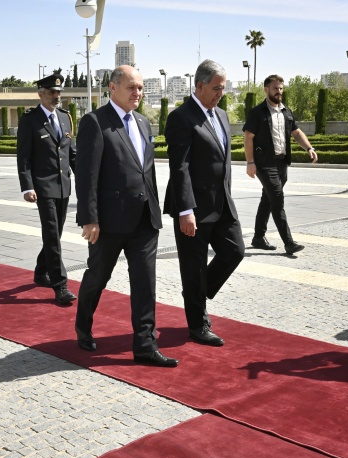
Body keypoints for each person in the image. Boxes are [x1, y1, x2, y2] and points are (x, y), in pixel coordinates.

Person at [74, 65, 178, 368]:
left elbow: (148, 172)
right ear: (113, 88)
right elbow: (87, 174)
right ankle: (83, 324)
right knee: (98, 276)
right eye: (132, 87)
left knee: (145, 283)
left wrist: (156, 209)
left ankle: (145, 344)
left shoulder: (144, 124)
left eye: (141, 88)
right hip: (109, 222)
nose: (138, 93)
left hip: (145, 220)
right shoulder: (95, 122)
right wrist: (89, 218)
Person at [164, 59, 245, 347]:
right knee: (193, 267)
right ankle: (197, 324)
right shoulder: (180, 118)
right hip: (193, 209)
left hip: (222, 205)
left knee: (235, 252)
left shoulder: (221, 115)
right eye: (216, 88)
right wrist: (185, 210)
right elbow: (180, 167)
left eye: (223, 88)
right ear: (199, 86)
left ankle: (197, 295)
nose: (220, 93)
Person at [17, 73, 78, 305]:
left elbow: (71, 153)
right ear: (40, 94)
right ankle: (60, 285)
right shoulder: (30, 120)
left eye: (59, 93)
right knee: (52, 234)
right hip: (43, 187)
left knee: (56, 234)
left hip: (64, 185)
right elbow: (23, 157)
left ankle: (40, 270)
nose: (57, 96)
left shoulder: (65, 118)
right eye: (52, 92)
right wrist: (27, 187)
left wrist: (86, 179)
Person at [243, 74, 318, 255]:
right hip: (264, 164)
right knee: (277, 200)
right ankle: (289, 243)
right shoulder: (257, 112)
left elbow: (297, 132)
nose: (279, 92)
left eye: (281, 88)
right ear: (266, 90)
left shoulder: (286, 111)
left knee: (267, 200)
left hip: (281, 163)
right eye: (275, 88)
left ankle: (258, 237)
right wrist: (250, 162)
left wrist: (309, 148)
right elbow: (248, 137)